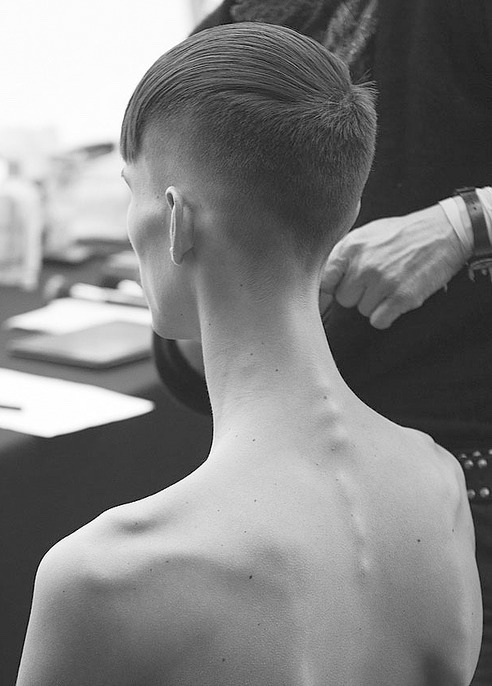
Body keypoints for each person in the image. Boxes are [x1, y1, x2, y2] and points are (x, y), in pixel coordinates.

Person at [16, 23, 481, 686]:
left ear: (175, 220)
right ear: (349, 209)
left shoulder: (107, 576)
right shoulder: (441, 488)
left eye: (129, 188)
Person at [151, 3, 492, 683]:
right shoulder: (230, 38)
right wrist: (220, 301)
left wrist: (466, 224)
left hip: (452, 479)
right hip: (297, 494)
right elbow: (185, 356)